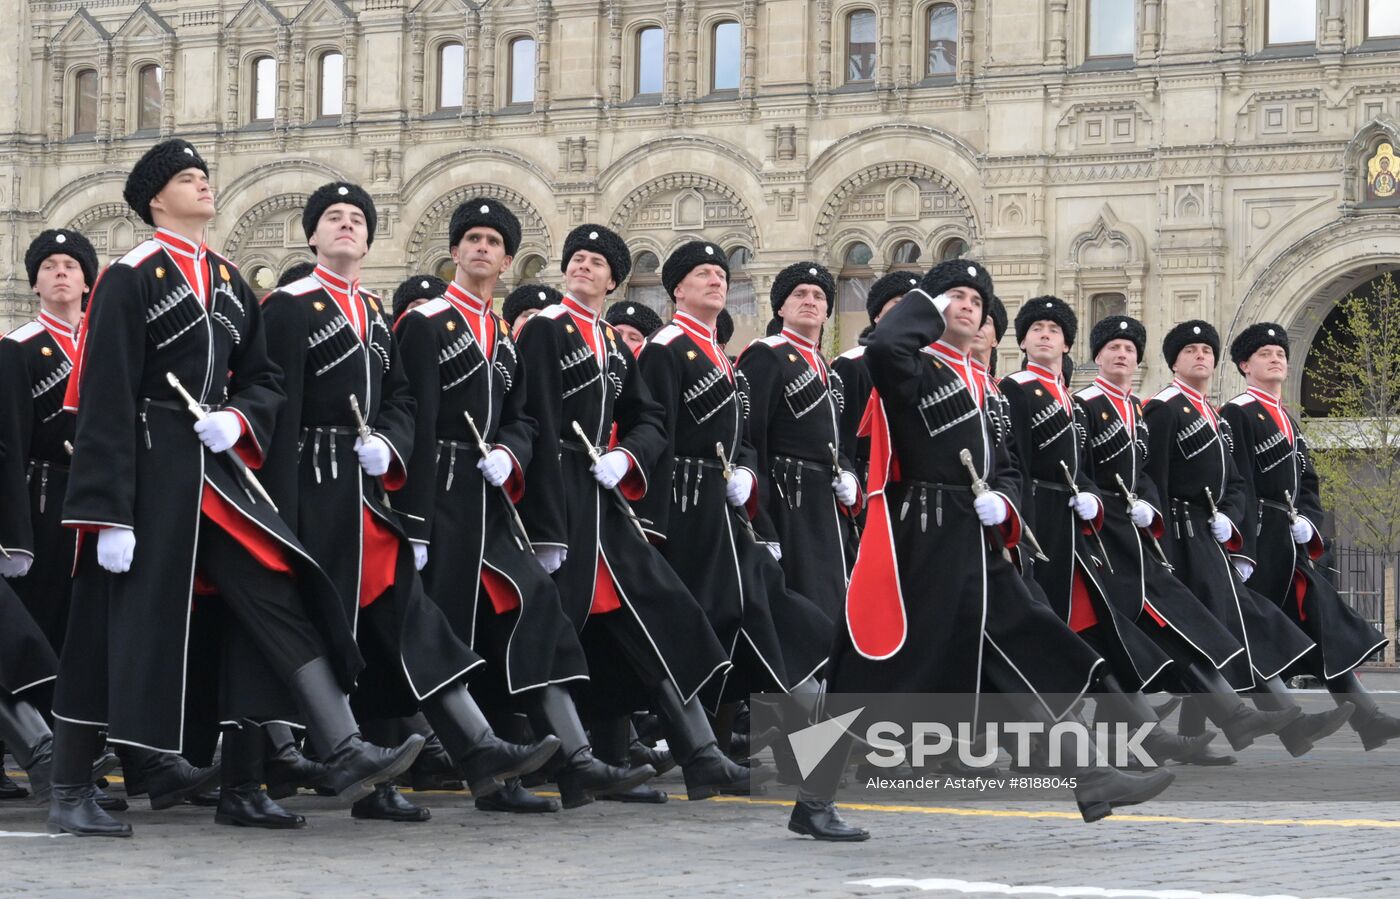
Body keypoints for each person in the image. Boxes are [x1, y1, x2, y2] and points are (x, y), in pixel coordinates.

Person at [48, 140, 425, 836]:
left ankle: (339, 743)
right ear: (156, 198)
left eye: (204, 175)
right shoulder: (132, 275)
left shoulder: (225, 280)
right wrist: (106, 511)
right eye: (188, 179)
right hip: (148, 470)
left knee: (272, 587)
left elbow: (265, 379)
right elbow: (103, 394)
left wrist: (239, 415)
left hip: (214, 472)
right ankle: (70, 784)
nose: (203, 184)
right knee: (106, 625)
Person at [821, 259, 1175, 841]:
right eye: (953, 296)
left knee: (1028, 643)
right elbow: (884, 343)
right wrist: (926, 305)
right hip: (925, 539)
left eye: (975, 300)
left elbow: (1007, 467)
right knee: (876, 671)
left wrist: (1006, 505)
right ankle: (813, 794)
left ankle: (1089, 776)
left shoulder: (985, 386)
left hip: (977, 539)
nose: (966, 306)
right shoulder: (912, 367)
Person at [259, 183, 561, 823]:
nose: (347, 227)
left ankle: (475, 749)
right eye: (334, 219)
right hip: (317, 488)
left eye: (357, 220)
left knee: (407, 624)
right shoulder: (294, 307)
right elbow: (279, 408)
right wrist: (279, 509)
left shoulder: (373, 312)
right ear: (312, 235)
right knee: (343, 628)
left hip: (370, 492)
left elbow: (403, 406)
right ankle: (326, 769)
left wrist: (391, 449)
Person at [394, 198, 654, 812]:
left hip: (488, 495)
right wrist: (414, 519)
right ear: (455, 251)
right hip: (442, 491)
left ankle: (571, 757)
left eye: (493, 242)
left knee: (531, 610)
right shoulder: (426, 320)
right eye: (472, 239)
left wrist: (511, 452)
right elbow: (414, 417)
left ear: (509, 260)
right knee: (446, 630)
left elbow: (523, 418)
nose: (482, 248)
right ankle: (478, 768)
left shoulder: (503, 336)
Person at [514, 223, 751, 801]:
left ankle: (699, 754)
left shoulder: (615, 344)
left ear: (614, 278)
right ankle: (577, 761)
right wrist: (544, 519)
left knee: (660, 614)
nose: (583, 267)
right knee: (557, 628)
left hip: (603, 492)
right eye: (577, 259)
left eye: (597, 262)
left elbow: (649, 419)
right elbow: (532, 415)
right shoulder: (546, 329)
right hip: (560, 491)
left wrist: (627, 456)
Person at [634, 240, 832, 779]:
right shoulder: (667, 346)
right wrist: (653, 522)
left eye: (721, 274)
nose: (716, 281)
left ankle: (723, 749)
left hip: (722, 508)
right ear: (678, 288)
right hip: (684, 503)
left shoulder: (720, 354)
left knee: (759, 613)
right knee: (716, 621)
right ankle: (718, 750)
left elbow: (744, 435)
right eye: (702, 274)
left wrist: (745, 471)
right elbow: (654, 429)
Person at [1075, 315, 1306, 764]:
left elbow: (1154, 478)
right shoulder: (1110, 405)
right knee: (1141, 631)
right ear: (1096, 355)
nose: (1122, 355)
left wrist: (1155, 508)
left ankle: (1217, 723)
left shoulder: (1145, 410)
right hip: (1113, 537)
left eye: (1129, 349)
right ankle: (1237, 718)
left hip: (1149, 532)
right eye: (1113, 348)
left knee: (1175, 630)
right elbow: (1133, 469)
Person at [1144, 322, 1354, 757]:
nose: (1201, 356)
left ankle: (1247, 730)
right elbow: (1157, 480)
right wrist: (1161, 541)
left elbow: (1238, 483)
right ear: (1174, 360)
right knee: (1236, 625)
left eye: (1207, 349)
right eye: (1191, 350)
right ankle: (1278, 722)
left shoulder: (1212, 412)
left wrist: (1231, 523)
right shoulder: (1170, 408)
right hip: (1182, 536)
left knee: (1230, 627)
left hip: (1215, 533)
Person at [1221, 323, 1400, 749]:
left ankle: (1368, 718)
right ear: (1246, 365)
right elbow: (1239, 481)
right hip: (1261, 539)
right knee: (1246, 632)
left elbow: (1310, 483)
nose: (1277, 358)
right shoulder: (1238, 413)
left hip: (1290, 540)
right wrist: (1241, 548)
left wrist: (1311, 524)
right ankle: (1210, 730)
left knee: (1324, 620)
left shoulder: (1287, 417)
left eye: (1281, 352)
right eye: (1265, 353)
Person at [736, 263, 862, 623]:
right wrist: (761, 519)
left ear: (827, 311)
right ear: (781, 307)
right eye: (800, 294)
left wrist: (850, 476)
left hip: (825, 500)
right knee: (804, 598)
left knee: (834, 595)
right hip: (788, 496)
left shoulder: (826, 367)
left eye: (819, 296)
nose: (810, 301)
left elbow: (836, 441)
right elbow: (752, 436)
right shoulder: (767, 353)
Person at [0, 229, 97, 653]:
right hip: (43, 503)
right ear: (35, 284)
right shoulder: (16, 349)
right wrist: (14, 537)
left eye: (70, 266)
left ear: (87, 281)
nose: (60, 273)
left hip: (100, 501)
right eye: (48, 267)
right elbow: (8, 445)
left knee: (91, 623)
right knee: (42, 621)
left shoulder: (106, 348)